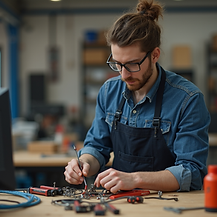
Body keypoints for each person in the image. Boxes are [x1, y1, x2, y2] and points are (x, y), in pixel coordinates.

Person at [64, 0, 210, 193]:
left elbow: (192, 172)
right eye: (117, 63)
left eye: (132, 64)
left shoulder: (187, 100)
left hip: (166, 204)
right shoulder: (109, 92)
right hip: (118, 201)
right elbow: (97, 146)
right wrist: (84, 163)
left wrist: (135, 179)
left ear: (155, 55)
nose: (124, 75)